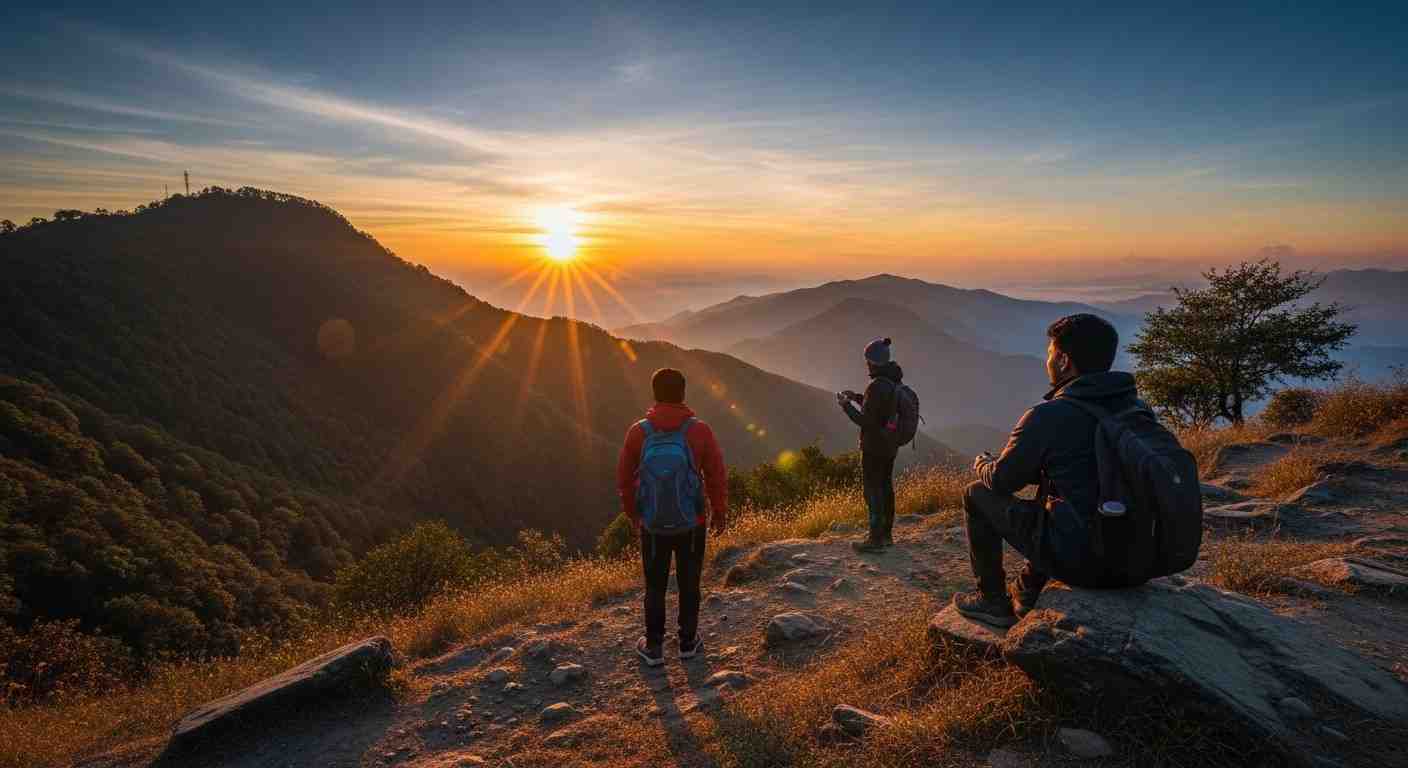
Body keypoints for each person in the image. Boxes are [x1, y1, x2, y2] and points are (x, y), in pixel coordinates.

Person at [953, 313, 1138, 627]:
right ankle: (1029, 589)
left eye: (1050, 353)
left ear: (1064, 360)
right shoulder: (1136, 408)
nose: (1047, 360)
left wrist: (983, 463)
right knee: (1061, 495)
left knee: (976, 493)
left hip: (1088, 561)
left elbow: (1002, 482)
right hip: (1136, 557)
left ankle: (992, 601)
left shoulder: (1049, 415)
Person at [617, 367, 728, 666]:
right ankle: (688, 642)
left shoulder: (639, 432)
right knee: (689, 581)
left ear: (655, 394)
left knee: (655, 584)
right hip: (692, 521)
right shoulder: (699, 430)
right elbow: (716, 474)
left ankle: (653, 647)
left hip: (653, 524)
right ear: (683, 393)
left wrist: (633, 515)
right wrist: (719, 511)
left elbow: (625, 480)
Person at [837, 337, 903, 553]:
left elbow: (866, 421)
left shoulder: (875, 386)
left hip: (874, 447)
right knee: (885, 488)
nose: (866, 363)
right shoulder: (893, 381)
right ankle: (886, 536)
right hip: (889, 445)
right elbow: (878, 410)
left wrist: (846, 406)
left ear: (873, 362)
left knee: (872, 490)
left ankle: (875, 539)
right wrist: (857, 397)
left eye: (867, 360)